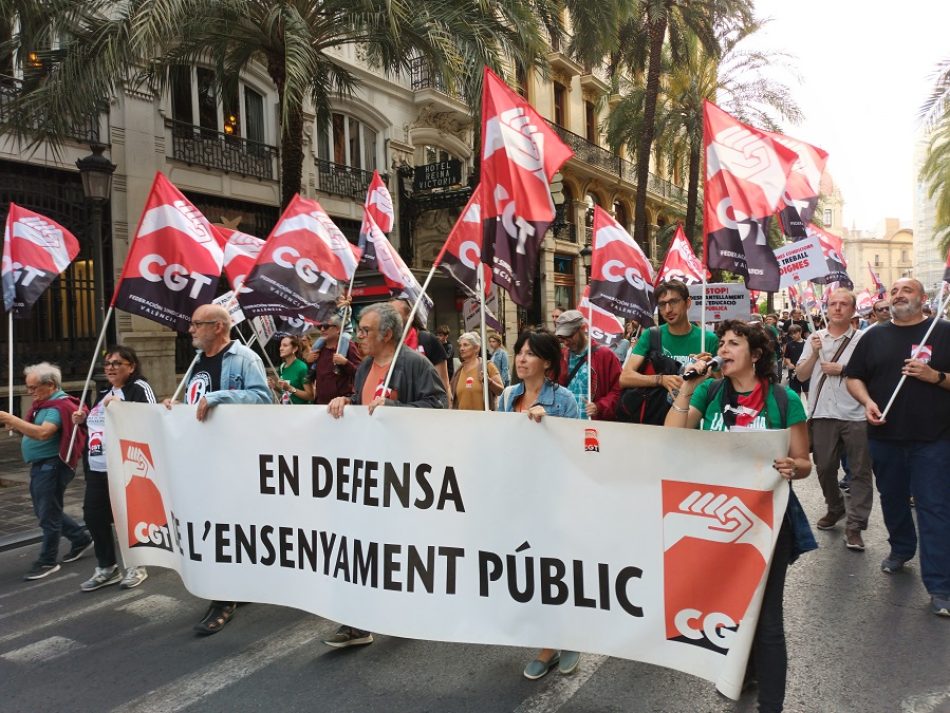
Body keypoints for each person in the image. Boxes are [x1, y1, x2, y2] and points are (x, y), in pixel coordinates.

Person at [664, 319, 812, 713]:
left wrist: (791, 468)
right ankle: (743, 672)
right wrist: (689, 386)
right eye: (722, 343)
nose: (723, 349)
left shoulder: (783, 400)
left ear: (756, 354)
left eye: (733, 343)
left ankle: (771, 704)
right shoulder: (710, 391)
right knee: (727, 605)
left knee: (767, 618)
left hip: (766, 524)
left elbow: (804, 462)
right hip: (717, 523)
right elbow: (672, 435)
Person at [324, 302, 448, 648]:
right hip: (368, 474)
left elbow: (439, 406)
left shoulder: (413, 363)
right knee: (360, 545)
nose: (358, 337)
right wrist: (345, 402)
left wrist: (395, 409)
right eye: (358, 330)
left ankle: (410, 611)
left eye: (364, 331)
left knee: (400, 550)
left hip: (404, 476)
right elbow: (361, 401)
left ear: (387, 334)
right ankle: (357, 622)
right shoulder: (364, 366)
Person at [163, 304, 271, 634]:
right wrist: (177, 407)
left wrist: (219, 397)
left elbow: (263, 400)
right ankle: (239, 587)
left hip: (231, 459)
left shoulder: (243, 358)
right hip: (203, 457)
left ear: (220, 327)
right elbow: (200, 403)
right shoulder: (197, 360)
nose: (191, 330)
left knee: (220, 529)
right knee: (212, 526)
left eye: (198, 324)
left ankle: (223, 601)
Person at [846, 278, 950, 618]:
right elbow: (853, 377)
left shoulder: (942, 331)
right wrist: (866, 402)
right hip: (885, 436)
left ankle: (940, 586)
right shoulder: (873, 336)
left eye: (907, 291)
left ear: (923, 299)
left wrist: (934, 376)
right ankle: (901, 549)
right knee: (892, 499)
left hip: (934, 438)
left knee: (934, 508)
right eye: (894, 291)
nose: (899, 295)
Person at [496, 330, 581, 680]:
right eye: (519, 352)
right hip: (520, 496)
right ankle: (548, 640)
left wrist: (552, 427)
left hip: (555, 498)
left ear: (547, 363)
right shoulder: (506, 396)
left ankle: (563, 640)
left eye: (530, 354)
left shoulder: (564, 401)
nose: (521, 358)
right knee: (530, 571)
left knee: (556, 569)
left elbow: (582, 449)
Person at [71, 346, 156, 591]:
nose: (110, 367)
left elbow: (150, 420)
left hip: (125, 467)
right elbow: (102, 427)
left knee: (127, 517)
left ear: (131, 367)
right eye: (108, 363)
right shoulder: (104, 391)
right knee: (94, 516)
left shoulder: (139, 388)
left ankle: (137, 565)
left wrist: (121, 406)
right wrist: (83, 422)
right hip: (98, 468)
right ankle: (107, 567)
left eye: (117, 363)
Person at [796, 288, 874, 551]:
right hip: (823, 414)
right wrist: (816, 354)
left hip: (855, 414)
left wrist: (843, 369)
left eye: (844, 304)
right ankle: (836, 506)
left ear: (853, 310)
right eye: (833, 304)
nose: (838, 308)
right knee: (824, 467)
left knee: (860, 471)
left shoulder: (864, 339)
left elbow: (873, 375)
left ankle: (855, 526)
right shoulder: (814, 338)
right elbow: (802, 376)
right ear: (826, 309)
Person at [0, 363, 92, 580]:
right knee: (47, 510)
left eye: (33, 388)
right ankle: (80, 539)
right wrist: (19, 426)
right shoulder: (45, 404)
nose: (30, 392)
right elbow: (34, 432)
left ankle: (47, 561)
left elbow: (43, 433)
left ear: (50, 385)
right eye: (28, 387)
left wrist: (12, 420)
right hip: (42, 465)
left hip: (52, 466)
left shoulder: (58, 406)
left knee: (47, 513)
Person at [618, 280, 717, 423]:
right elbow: (625, 378)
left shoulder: (708, 339)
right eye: (662, 304)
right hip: (656, 420)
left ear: (688, 303)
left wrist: (708, 370)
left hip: (695, 423)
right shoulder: (651, 335)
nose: (668, 310)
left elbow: (721, 382)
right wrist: (661, 380)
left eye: (674, 302)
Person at [554, 309, 621, 420]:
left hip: (594, 428)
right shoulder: (562, 356)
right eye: (562, 338)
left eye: (569, 336)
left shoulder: (605, 355)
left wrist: (599, 406)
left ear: (583, 328)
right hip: (566, 425)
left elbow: (618, 389)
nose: (566, 342)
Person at [390, 298, 452, 406]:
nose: (390, 319)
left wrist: (446, 413)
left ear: (410, 316)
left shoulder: (428, 340)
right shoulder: (385, 344)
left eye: (395, 314)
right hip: (393, 410)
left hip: (423, 410)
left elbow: (443, 384)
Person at [303, 315, 362, 404]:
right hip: (321, 403)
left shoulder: (348, 346)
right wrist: (309, 362)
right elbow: (313, 375)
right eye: (319, 326)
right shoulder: (318, 348)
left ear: (337, 329)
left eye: (326, 326)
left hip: (341, 405)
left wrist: (345, 363)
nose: (322, 329)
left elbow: (360, 373)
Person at [451, 332, 504, 410]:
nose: (461, 349)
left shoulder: (487, 366)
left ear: (476, 348)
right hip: (462, 420)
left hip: (483, 420)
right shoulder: (458, 371)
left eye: (465, 345)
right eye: (460, 345)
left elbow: (500, 391)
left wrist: (488, 381)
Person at [268, 335, 310, 404]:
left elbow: (310, 396)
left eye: (285, 345)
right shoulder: (282, 366)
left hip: (299, 411)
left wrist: (290, 388)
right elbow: (285, 391)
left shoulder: (302, 367)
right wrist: (275, 386)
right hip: (285, 410)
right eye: (280, 345)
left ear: (295, 349)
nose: (281, 348)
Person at [782, 326, 809, 396]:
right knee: (796, 394)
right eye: (791, 334)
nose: (793, 335)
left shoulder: (807, 343)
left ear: (800, 332)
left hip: (806, 371)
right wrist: (789, 363)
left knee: (808, 393)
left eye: (795, 333)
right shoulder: (789, 345)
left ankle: (810, 407)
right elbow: (786, 357)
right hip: (793, 372)